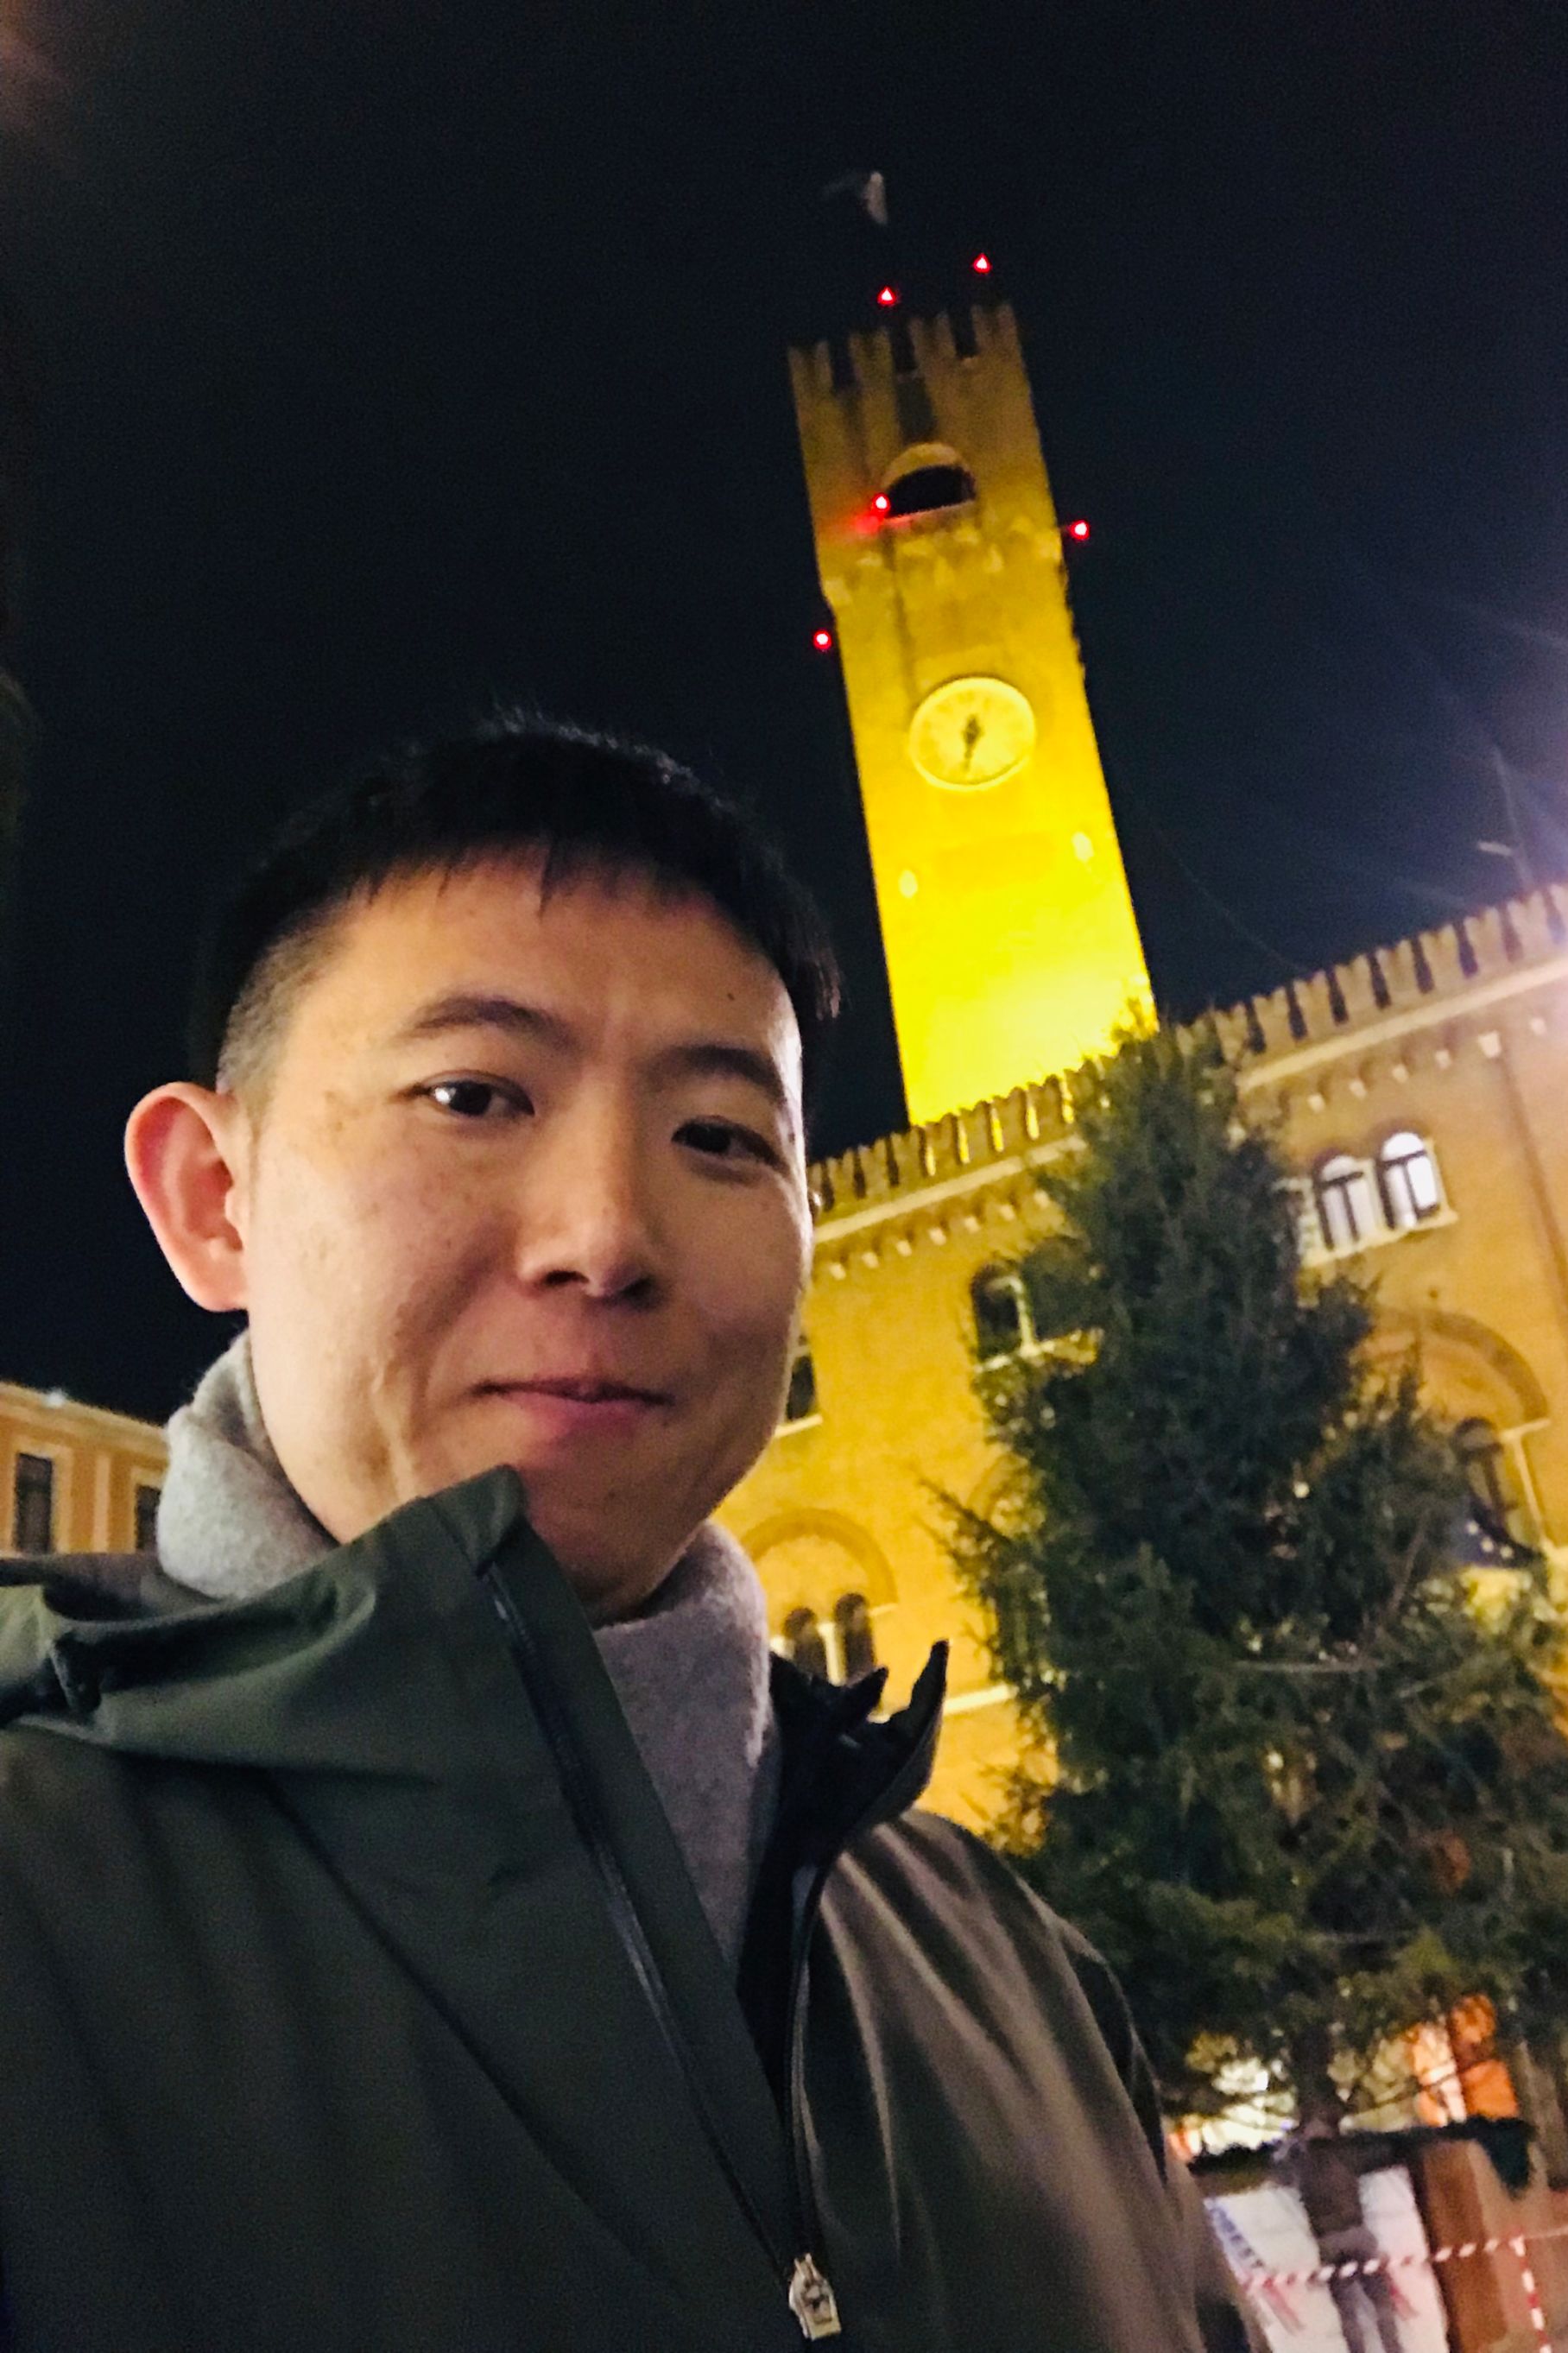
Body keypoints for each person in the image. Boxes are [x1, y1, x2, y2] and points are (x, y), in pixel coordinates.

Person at [0, 719, 1267, 2352]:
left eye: (721, 1138)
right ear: (211, 1197)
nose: (607, 1237)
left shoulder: (1008, 1973)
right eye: (473, 1096)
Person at [1275, 2120, 1406, 2353]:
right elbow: (1381, 2153)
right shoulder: (1345, 2156)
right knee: (1381, 2302)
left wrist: (1288, 2146)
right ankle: (1393, 2349)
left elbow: (1279, 2171)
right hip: (1357, 2234)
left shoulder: (1302, 2167)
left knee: (1347, 2311)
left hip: (1328, 2242)